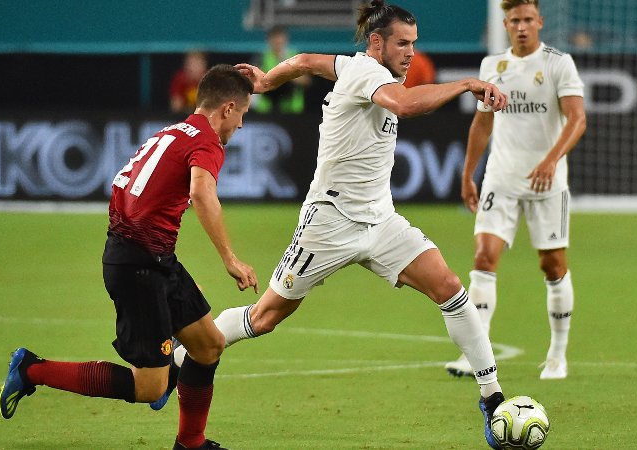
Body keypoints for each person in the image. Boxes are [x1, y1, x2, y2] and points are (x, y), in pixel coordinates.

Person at [168, 1, 510, 448]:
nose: (410, 53)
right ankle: (179, 359)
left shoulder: (350, 66)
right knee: (267, 315)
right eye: (403, 44)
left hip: (380, 220)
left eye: (414, 43)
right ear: (376, 43)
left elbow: (309, 61)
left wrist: (271, 79)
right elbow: (404, 107)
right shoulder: (369, 74)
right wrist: (467, 84)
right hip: (329, 223)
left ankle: (493, 398)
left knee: (448, 285)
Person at [0, 64, 259, 450]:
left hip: (150, 257)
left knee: (208, 345)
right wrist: (230, 258)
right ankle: (32, 369)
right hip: (140, 266)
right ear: (227, 108)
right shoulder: (206, 142)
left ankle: (191, 442)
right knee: (147, 387)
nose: (240, 126)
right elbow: (202, 194)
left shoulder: (172, 132)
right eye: (242, 115)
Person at [445, 0, 586, 381]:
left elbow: (577, 119)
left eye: (528, 20)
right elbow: (482, 124)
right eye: (515, 21)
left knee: (552, 265)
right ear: (505, 24)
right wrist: (467, 174)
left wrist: (552, 159)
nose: (522, 27)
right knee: (483, 258)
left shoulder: (559, 63)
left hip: (547, 182)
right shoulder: (492, 66)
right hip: (501, 179)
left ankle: (557, 355)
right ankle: (476, 356)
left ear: (539, 22)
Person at [252, 26, 310, 114]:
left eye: (280, 37)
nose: (277, 41)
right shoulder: (261, 57)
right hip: (266, 109)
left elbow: (306, 81)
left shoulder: (296, 56)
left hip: (291, 109)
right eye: (274, 38)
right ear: (269, 40)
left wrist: (289, 75)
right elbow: (253, 81)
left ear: (286, 39)